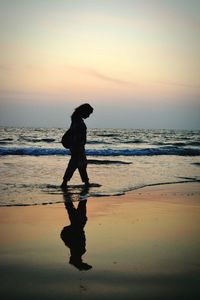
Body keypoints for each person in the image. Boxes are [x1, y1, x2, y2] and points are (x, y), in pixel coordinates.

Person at [61, 103, 93, 188]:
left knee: (79, 165)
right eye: (88, 113)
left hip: (77, 146)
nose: (89, 116)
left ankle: (85, 182)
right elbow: (76, 136)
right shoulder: (78, 122)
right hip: (77, 147)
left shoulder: (76, 120)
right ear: (84, 112)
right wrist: (78, 146)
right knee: (76, 165)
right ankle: (65, 183)